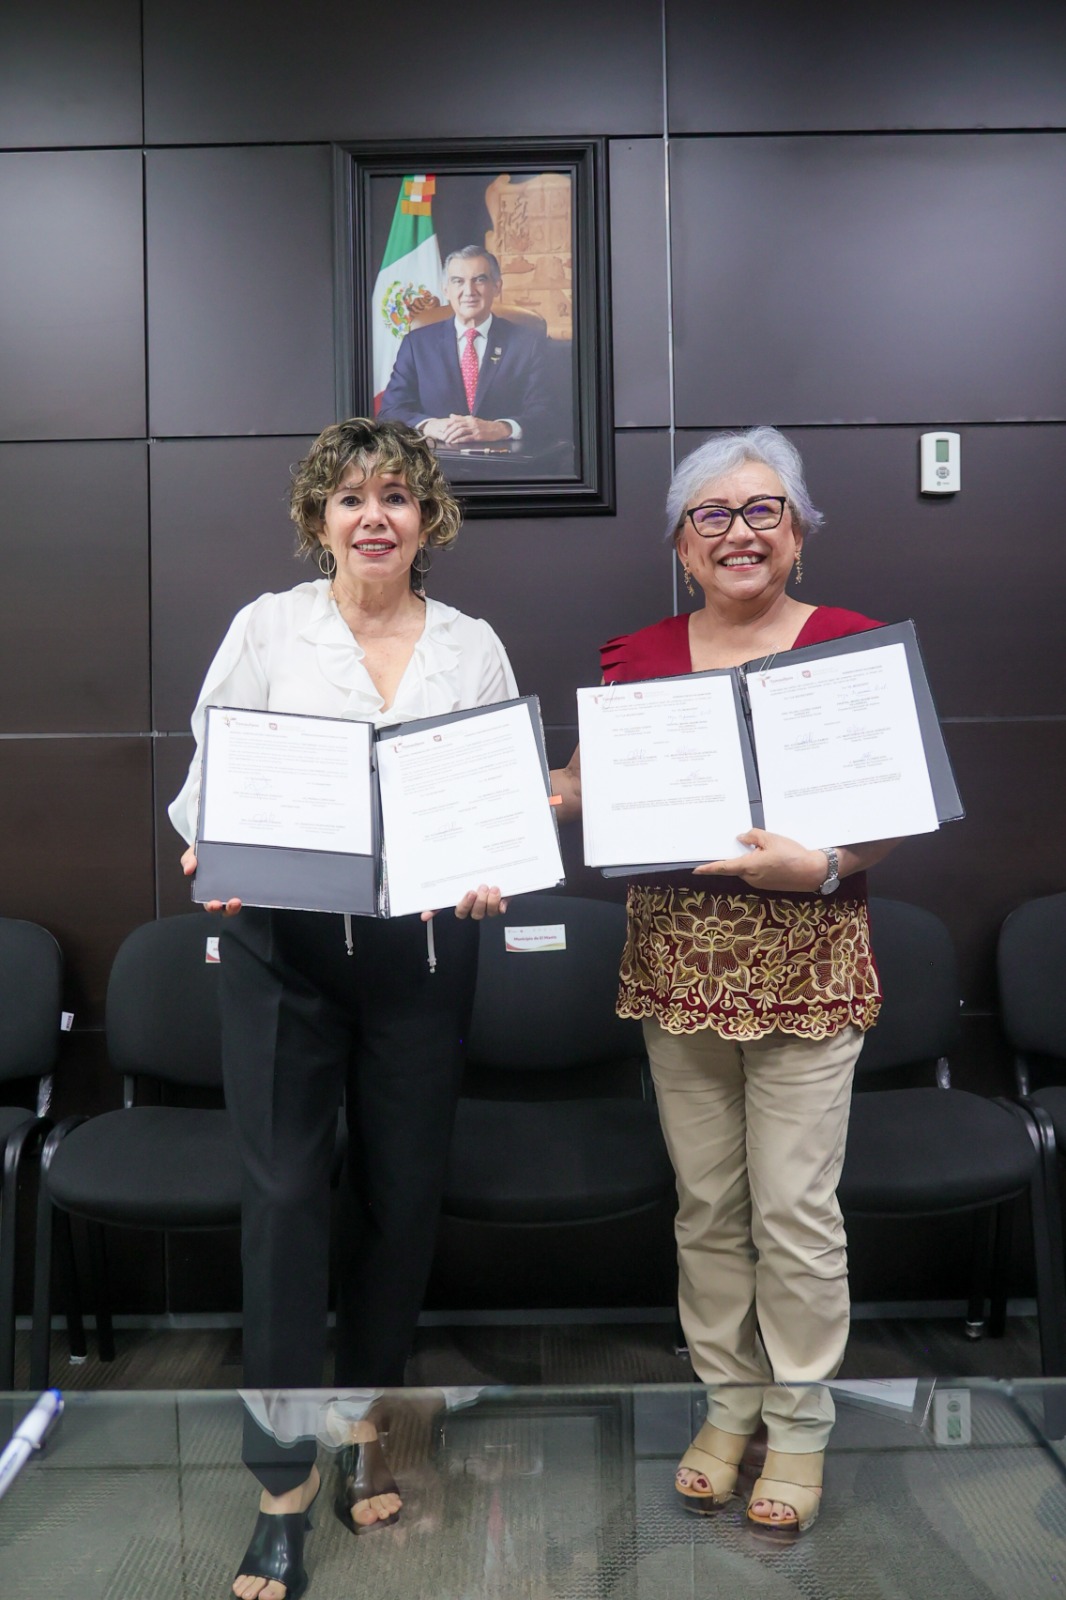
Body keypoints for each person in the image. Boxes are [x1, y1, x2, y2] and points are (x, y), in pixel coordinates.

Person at [168, 417, 517, 1600]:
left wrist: (491, 866)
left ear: (427, 519)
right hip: (283, 955)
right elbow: (208, 783)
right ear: (320, 517)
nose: (375, 516)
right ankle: (280, 1484)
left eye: (397, 496)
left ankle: (369, 1424)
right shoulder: (267, 629)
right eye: (352, 496)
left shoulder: (470, 645)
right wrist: (210, 849)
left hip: (424, 956)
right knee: (282, 1204)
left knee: (399, 1196)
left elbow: (494, 799)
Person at [551, 426, 897, 1537]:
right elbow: (586, 784)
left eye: (762, 511)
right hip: (679, 968)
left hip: (806, 964)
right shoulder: (638, 659)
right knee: (707, 1206)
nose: (738, 532)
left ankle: (798, 1424)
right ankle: (729, 1402)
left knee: (794, 1210)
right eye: (712, 514)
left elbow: (891, 806)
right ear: (681, 545)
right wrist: (525, 789)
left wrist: (825, 865)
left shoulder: (849, 646)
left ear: (797, 533)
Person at [378, 246, 552, 449]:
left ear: (497, 286)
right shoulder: (417, 344)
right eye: (458, 281)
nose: (469, 291)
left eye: (479, 280)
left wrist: (501, 428)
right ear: (446, 290)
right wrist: (429, 425)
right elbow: (390, 411)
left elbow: (545, 412)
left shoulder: (528, 343)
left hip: (504, 459)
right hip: (436, 460)